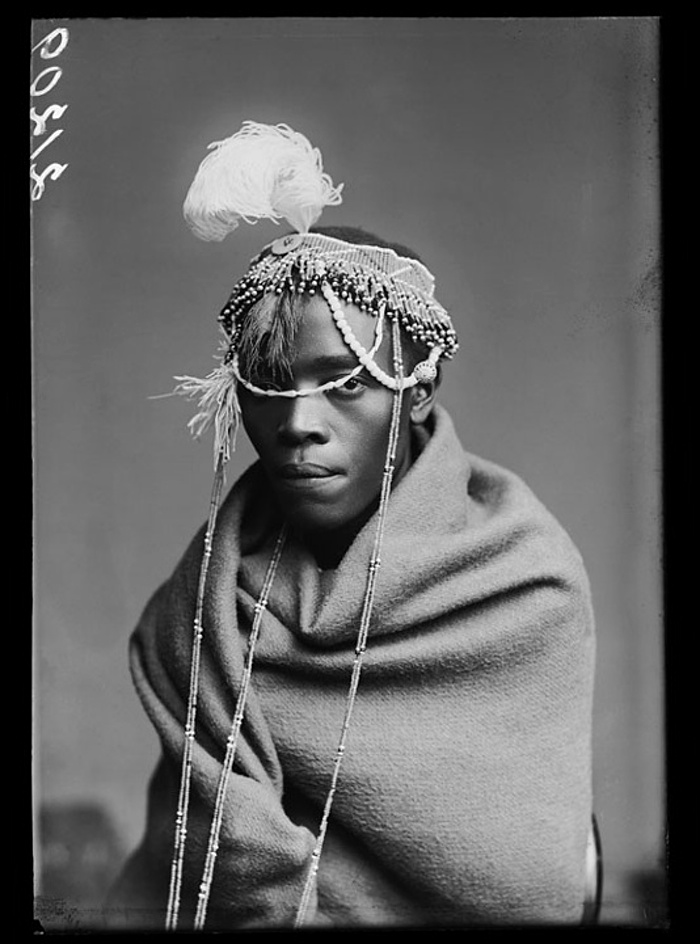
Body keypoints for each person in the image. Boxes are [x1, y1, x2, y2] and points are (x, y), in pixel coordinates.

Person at [105, 122, 596, 930]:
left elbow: (529, 883)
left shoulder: (522, 582)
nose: (299, 422)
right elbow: (180, 871)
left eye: (345, 384)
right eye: (269, 384)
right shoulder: (197, 611)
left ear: (417, 391)